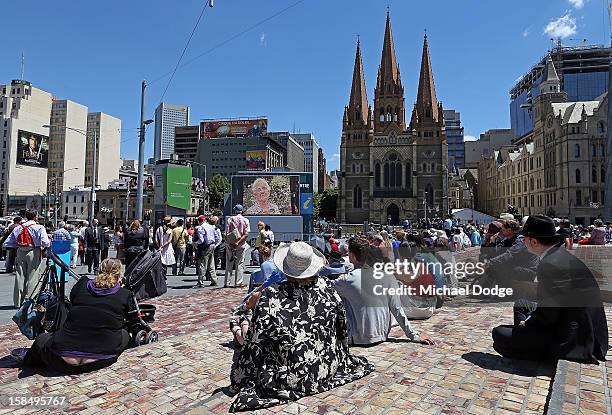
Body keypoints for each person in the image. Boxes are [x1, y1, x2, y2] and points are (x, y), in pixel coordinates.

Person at [229, 241, 374, 412]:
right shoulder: (327, 287)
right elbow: (341, 328)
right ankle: (238, 326)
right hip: (326, 366)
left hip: (291, 375)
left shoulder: (272, 295)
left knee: (246, 331)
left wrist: (242, 374)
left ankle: (236, 326)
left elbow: (256, 341)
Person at [491, 215, 608, 363]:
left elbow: (548, 315)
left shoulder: (550, 264)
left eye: (524, 239)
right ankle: (527, 338)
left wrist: (528, 322)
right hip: (579, 322)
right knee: (521, 304)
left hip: (572, 336)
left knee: (499, 333)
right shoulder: (559, 255)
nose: (523, 242)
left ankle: (534, 349)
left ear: (533, 241)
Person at [13, 259, 132, 374]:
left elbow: (73, 300)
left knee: (42, 339)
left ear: (99, 271)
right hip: (101, 359)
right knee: (124, 334)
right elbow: (127, 312)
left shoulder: (83, 284)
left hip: (62, 360)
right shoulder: (124, 294)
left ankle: (30, 361)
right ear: (119, 276)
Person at [329, 237, 435, 346]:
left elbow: (325, 288)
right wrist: (413, 335)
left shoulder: (347, 279)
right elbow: (397, 310)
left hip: (358, 337)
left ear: (351, 255)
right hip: (382, 334)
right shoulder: (387, 277)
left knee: (339, 296)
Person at [3, 209, 49, 308]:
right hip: (34, 251)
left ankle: (18, 302)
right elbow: (46, 242)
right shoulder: (39, 227)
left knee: (20, 276)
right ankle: (31, 300)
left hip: (20, 251)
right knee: (33, 276)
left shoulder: (18, 228)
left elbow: (7, 243)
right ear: (35, 217)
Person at [225, 204, 250, 288]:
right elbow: (246, 234)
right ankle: (238, 282)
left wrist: (232, 243)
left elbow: (227, 233)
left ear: (235, 211)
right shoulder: (246, 220)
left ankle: (227, 282)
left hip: (230, 244)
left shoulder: (230, 219)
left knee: (229, 263)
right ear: (242, 211)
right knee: (240, 264)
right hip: (241, 245)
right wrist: (238, 242)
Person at [195, 215, 221, 287]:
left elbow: (201, 240)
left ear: (199, 221)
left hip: (205, 246)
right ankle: (214, 280)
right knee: (211, 264)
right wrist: (214, 244)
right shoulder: (210, 226)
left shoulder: (201, 227)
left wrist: (196, 244)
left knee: (203, 264)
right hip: (212, 245)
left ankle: (200, 282)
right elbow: (217, 237)